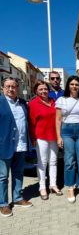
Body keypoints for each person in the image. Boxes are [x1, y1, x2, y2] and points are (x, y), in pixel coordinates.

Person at [55, 75, 79, 203]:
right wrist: (58, 136)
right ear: (68, 86)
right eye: (72, 84)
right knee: (69, 161)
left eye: (76, 84)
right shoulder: (62, 99)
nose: (74, 86)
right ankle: (70, 187)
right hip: (66, 132)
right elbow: (58, 119)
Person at [0, 77, 33, 217]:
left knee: (18, 173)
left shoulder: (23, 103)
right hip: (4, 145)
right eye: (8, 86)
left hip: (20, 144)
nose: (11, 89)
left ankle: (18, 198)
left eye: (13, 86)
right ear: (3, 88)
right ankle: (3, 204)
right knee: (3, 176)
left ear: (17, 88)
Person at [29, 80, 62, 200]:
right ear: (36, 91)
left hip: (54, 136)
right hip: (41, 137)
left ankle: (53, 185)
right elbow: (31, 123)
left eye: (45, 89)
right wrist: (33, 138)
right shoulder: (33, 104)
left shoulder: (54, 102)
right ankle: (42, 187)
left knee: (53, 161)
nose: (43, 91)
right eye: (40, 89)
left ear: (49, 90)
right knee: (42, 162)